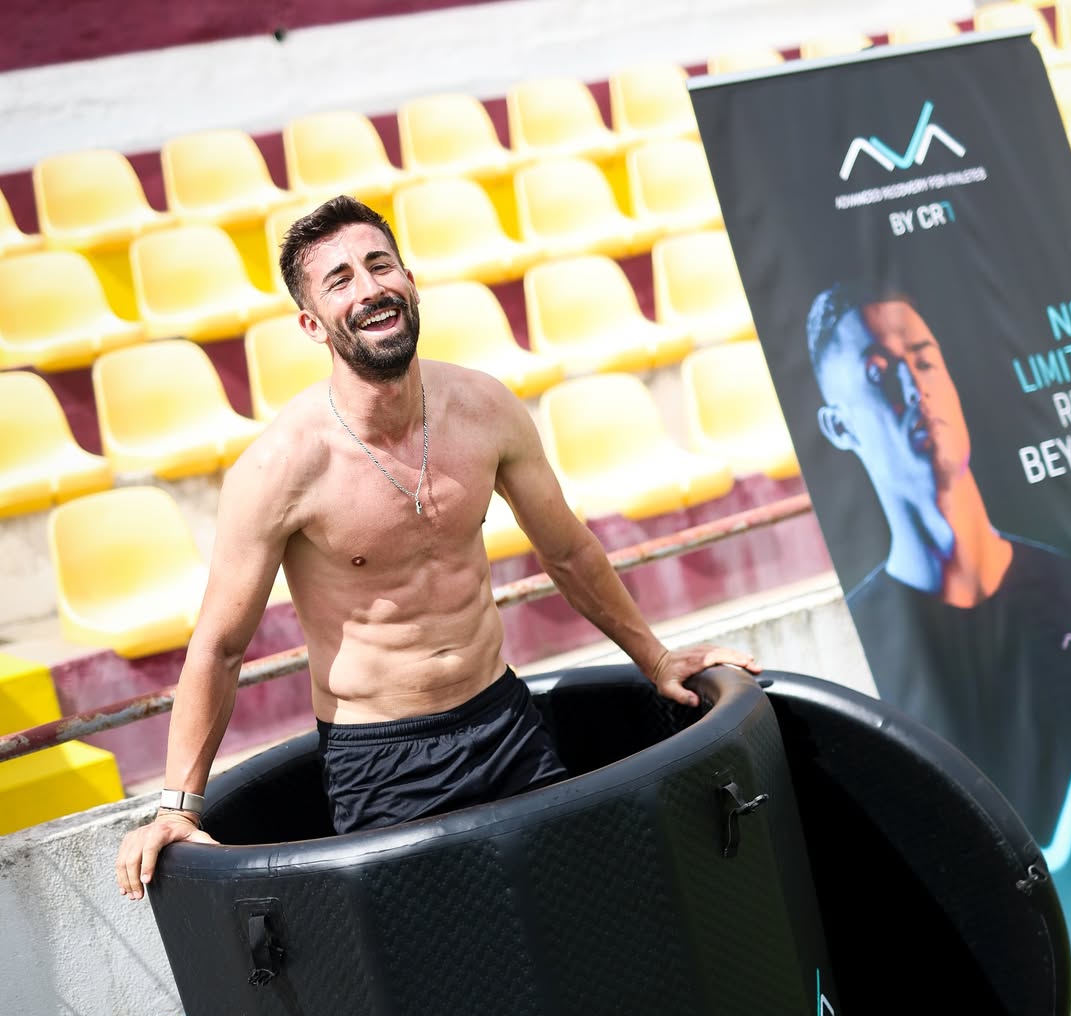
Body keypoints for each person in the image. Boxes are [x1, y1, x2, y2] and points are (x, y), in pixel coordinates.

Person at [116, 195, 760, 899]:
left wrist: (658, 657)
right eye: (340, 281)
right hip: (383, 760)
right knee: (439, 966)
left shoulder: (485, 409)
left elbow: (569, 552)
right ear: (312, 324)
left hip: (504, 720)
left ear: (410, 280)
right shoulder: (282, 467)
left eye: (379, 265)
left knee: (578, 913)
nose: (369, 289)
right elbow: (220, 645)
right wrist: (178, 807)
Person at [807, 280, 1071, 920]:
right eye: (878, 371)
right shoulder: (870, 636)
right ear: (839, 425)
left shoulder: (1069, 580)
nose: (915, 387)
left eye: (924, 360)